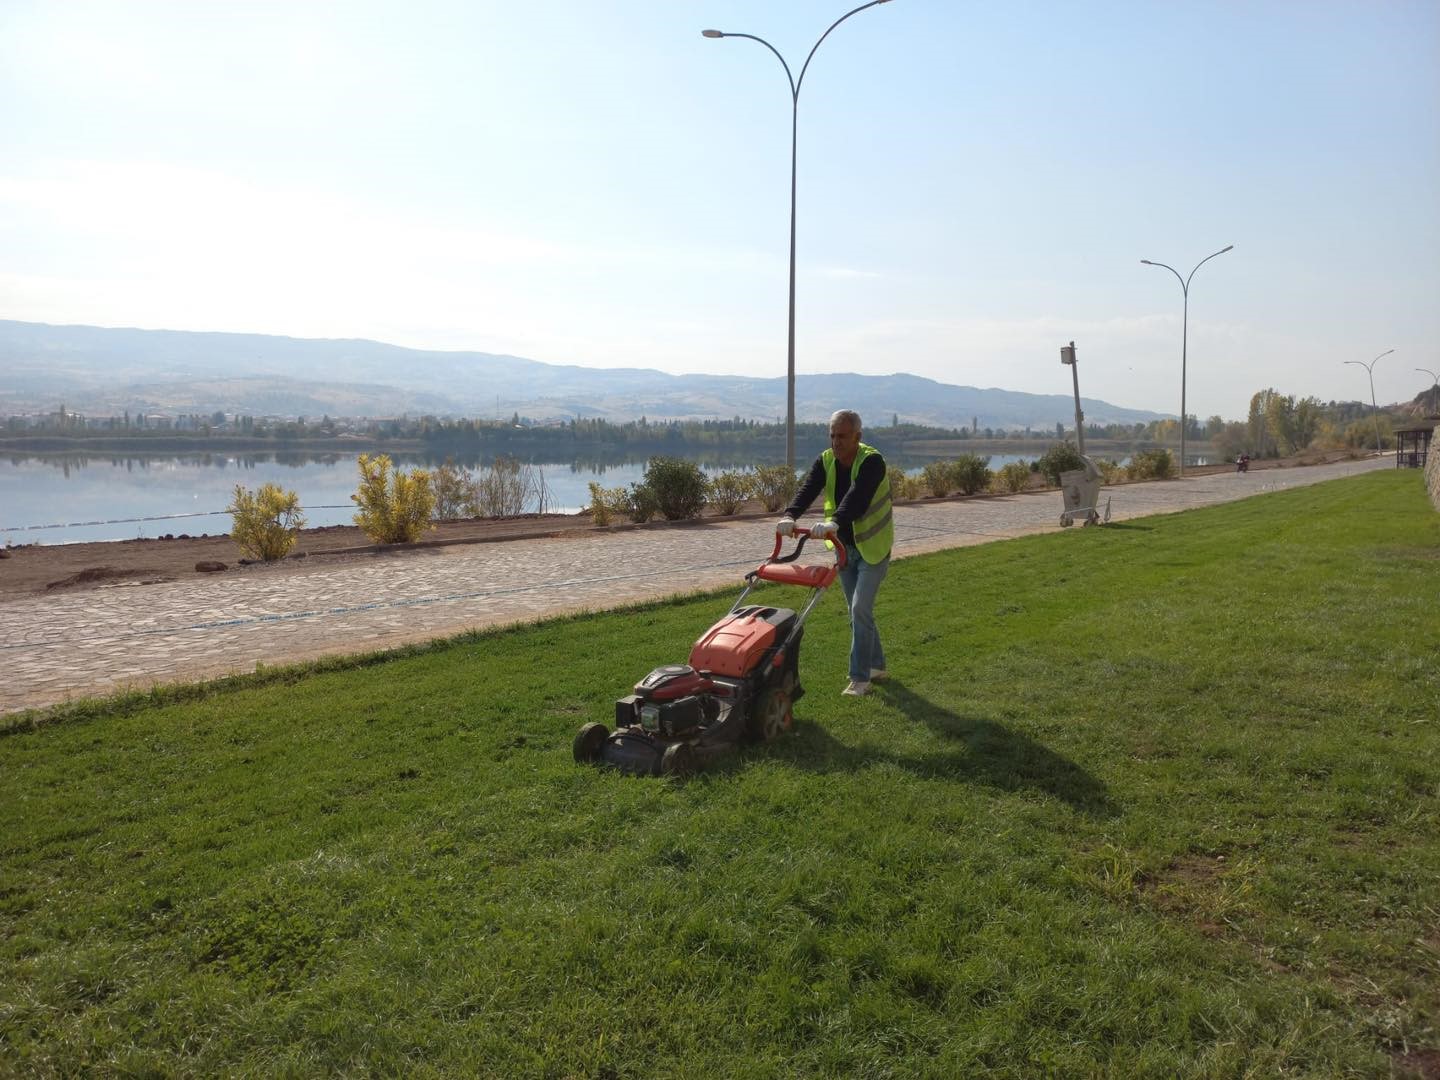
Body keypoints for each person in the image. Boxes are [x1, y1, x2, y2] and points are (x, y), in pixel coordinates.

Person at [776, 410, 893, 697]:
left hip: (874, 548)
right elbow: (808, 488)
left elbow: (859, 496)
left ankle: (860, 679)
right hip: (845, 549)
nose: (836, 442)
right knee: (858, 613)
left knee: (859, 609)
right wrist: (790, 515)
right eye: (832, 436)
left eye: (842, 436)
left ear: (857, 436)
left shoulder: (872, 462)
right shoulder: (826, 460)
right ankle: (877, 665)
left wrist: (834, 521)